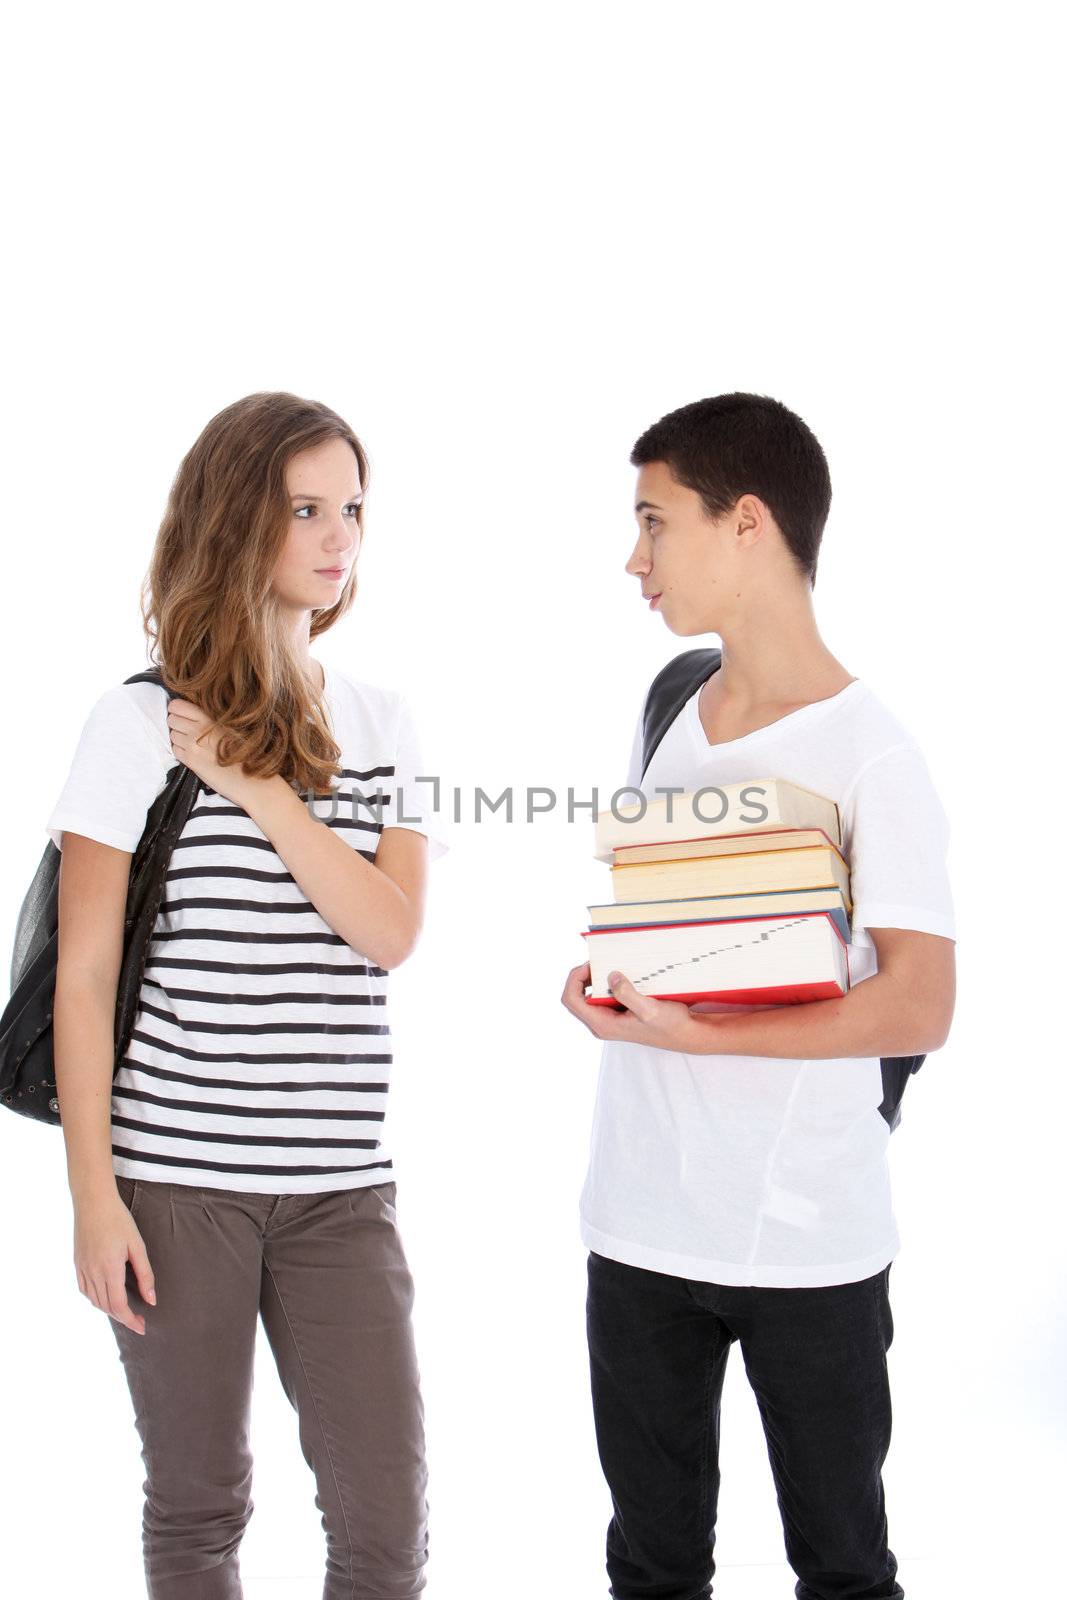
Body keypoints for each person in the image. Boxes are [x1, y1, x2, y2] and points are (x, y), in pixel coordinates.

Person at [47, 390, 448, 1599]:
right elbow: (84, 974)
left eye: (354, 511)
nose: (339, 538)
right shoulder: (135, 723)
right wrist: (92, 1200)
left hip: (340, 1186)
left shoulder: (380, 724)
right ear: (235, 521)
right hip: (176, 1188)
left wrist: (263, 788)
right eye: (306, 509)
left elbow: (388, 933)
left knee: (384, 1526)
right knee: (197, 1505)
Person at [561, 392, 956, 1600]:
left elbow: (919, 1006)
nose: (632, 558)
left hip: (804, 1243)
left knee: (841, 1569)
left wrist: (700, 1034)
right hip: (635, 1224)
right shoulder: (668, 707)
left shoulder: (871, 754)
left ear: (744, 523)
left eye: (652, 522)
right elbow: (674, 941)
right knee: (652, 1567)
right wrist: (610, 991)